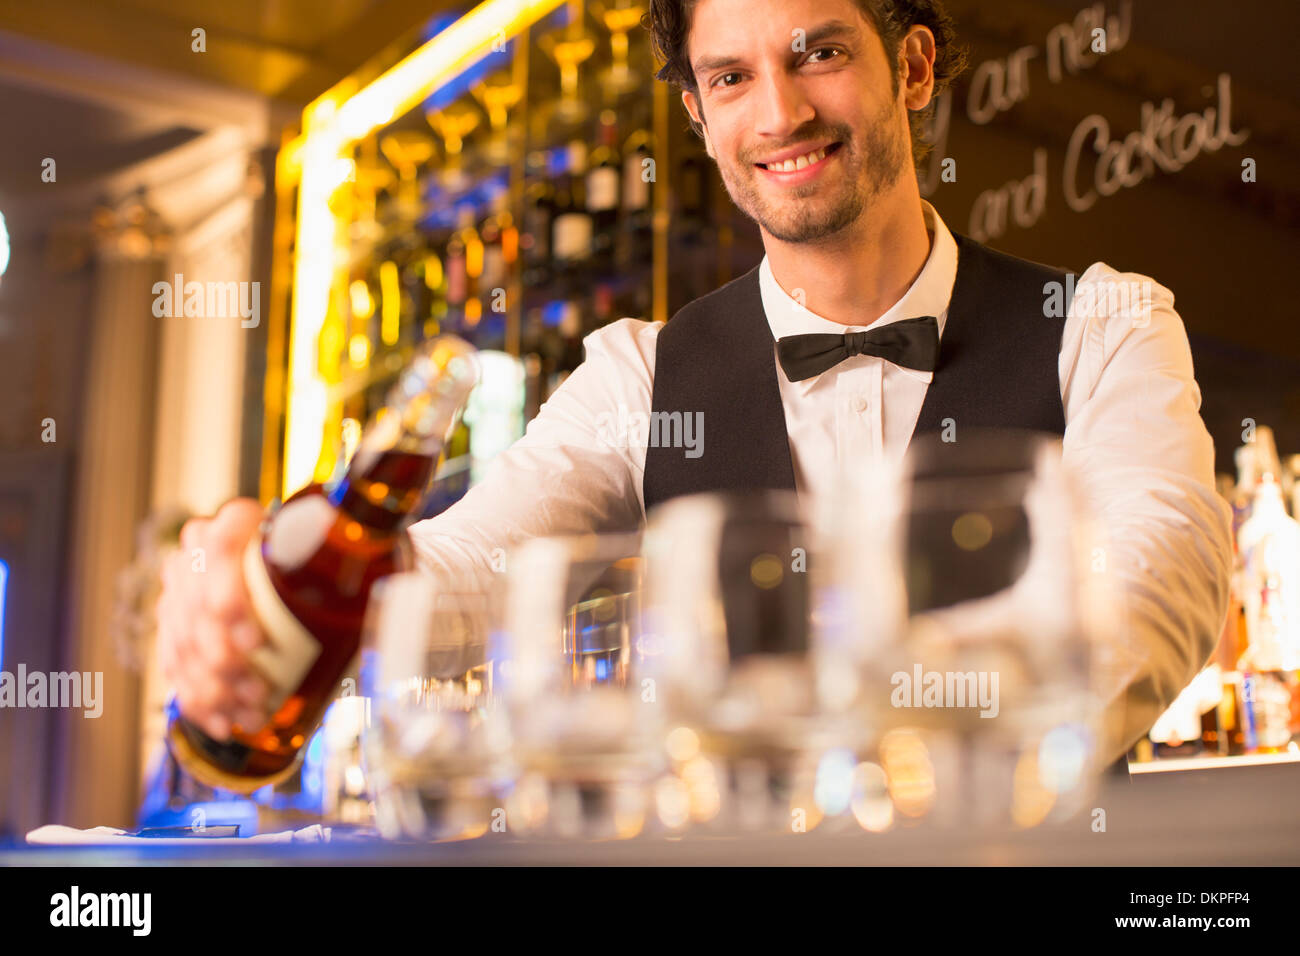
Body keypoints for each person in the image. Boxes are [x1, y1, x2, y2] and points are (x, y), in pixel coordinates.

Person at [157, 0, 1231, 764]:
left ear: (910, 68)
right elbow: (477, 561)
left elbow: (1160, 570)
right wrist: (286, 608)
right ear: (698, 116)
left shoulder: (1101, 323)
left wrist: (905, 717)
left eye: (816, 53)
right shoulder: (639, 375)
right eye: (730, 77)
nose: (778, 113)